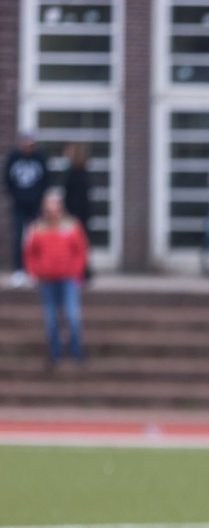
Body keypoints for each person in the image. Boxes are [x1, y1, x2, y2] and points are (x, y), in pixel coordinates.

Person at [24, 189, 88, 368]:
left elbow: (81, 251)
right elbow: (30, 253)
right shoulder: (37, 228)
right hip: (47, 280)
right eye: (49, 208)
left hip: (68, 279)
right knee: (50, 319)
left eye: (55, 207)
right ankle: (55, 353)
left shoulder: (71, 226)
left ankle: (77, 351)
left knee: (73, 316)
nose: (52, 212)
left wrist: (77, 271)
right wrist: (35, 271)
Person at [6, 131, 50, 287]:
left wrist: (40, 199)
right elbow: (7, 180)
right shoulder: (13, 158)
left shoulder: (40, 158)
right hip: (19, 205)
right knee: (19, 237)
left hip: (36, 205)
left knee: (36, 237)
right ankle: (19, 270)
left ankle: (35, 270)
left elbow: (46, 180)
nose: (27, 147)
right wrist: (16, 196)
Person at [60, 143, 92, 284]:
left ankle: (82, 272)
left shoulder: (77, 174)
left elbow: (76, 198)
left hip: (76, 215)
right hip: (77, 214)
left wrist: (70, 215)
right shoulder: (78, 172)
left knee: (78, 245)